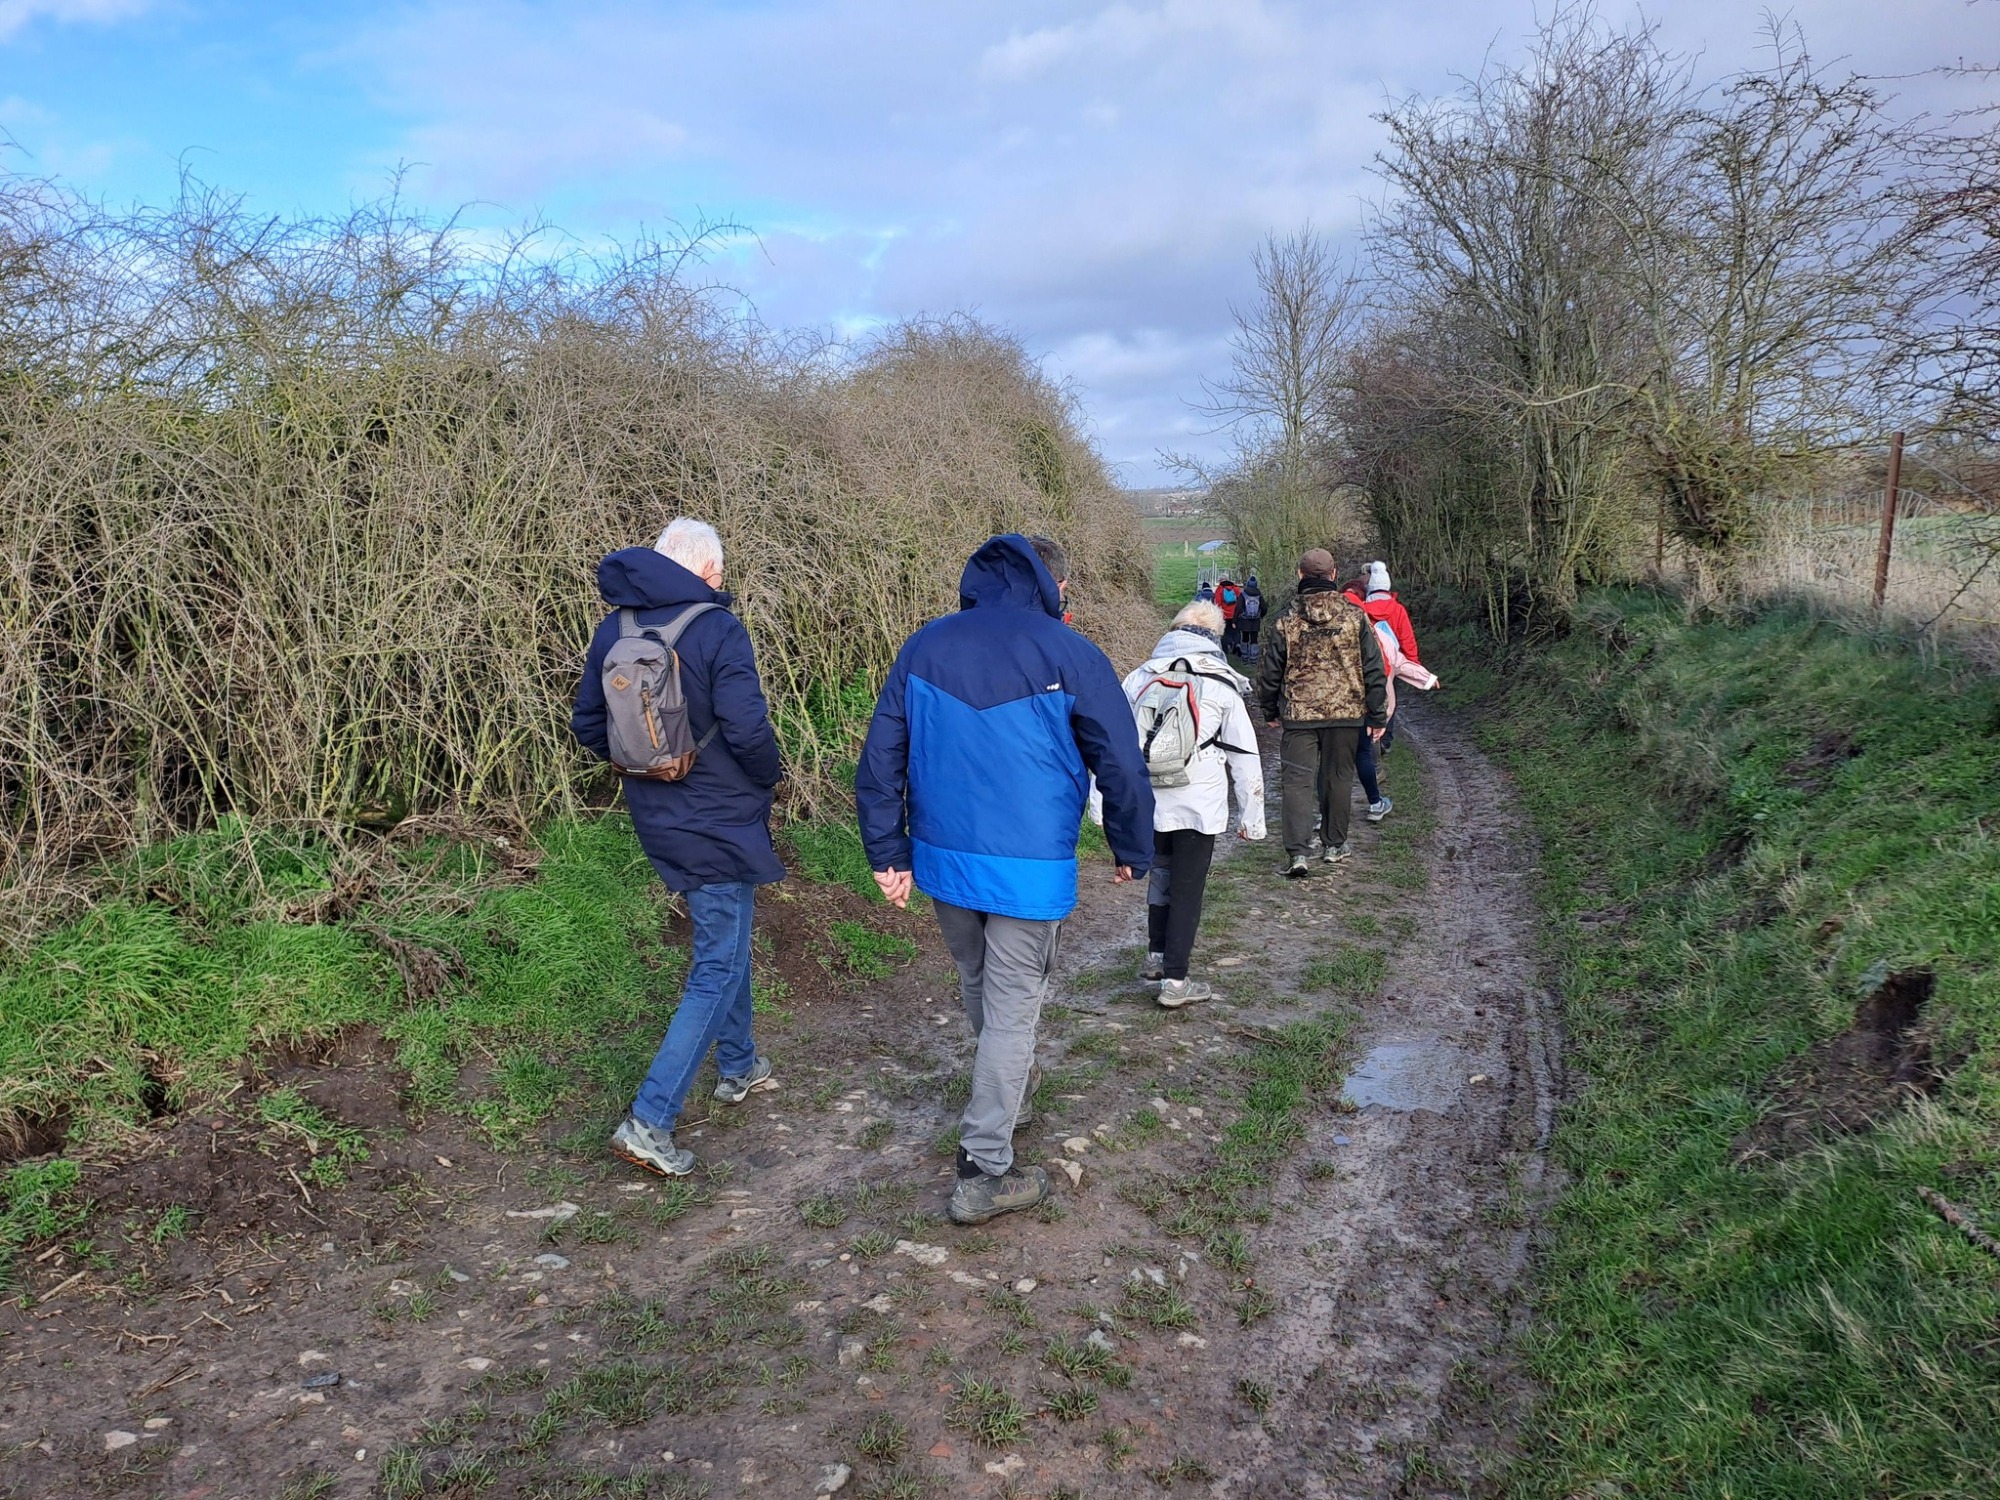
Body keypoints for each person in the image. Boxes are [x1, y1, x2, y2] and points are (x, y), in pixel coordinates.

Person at [856, 534, 1154, 1225]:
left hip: (944, 857)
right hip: (1029, 863)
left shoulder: (925, 646)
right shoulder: (1071, 652)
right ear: (1056, 585)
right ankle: (984, 1169)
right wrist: (1131, 844)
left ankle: (1008, 1091)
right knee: (1014, 1006)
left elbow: (881, 759)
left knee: (978, 982)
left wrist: (887, 852)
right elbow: (1120, 761)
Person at [572, 518, 785, 1178]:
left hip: (657, 812)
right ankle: (649, 1120)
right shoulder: (718, 628)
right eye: (720, 571)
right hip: (720, 816)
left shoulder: (616, 629)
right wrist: (768, 776)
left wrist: (647, 766)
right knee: (716, 964)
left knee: (727, 937)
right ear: (708, 570)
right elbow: (747, 728)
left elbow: (587, 723)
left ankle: (739, 1063)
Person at [1109, 600, 1265, 1007]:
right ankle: (1176, 981)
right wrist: (1251, 818)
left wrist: (1104, 807)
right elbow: (1244, 756)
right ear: (1215, 637)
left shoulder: (1139, 678)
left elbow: (1112, 747)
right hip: (1199, 802)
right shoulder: (1222, 684)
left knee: (1161, 874)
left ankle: (1157, 954)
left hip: (1148, 800)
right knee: (1188, 886)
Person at [1256, 548, 1388, 878]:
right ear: (1334, 575)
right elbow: (1374, 669)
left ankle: (1298, 854)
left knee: (1297, 782)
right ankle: (1334, 845)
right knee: (1338, 778)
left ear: (1300, 575)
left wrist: (1269, 709)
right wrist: (1377, 715)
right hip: (1347, 713)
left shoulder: (1285, 621)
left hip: (1299, 716)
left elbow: (1270, 671)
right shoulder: (1356, 618)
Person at [1353, 615, 1441, 822]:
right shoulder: (1375, 632)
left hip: (1335, 708)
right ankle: (1375, 803)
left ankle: (1325, 815)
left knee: (1332, 760)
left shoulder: (1325, 629)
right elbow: (1398, 662)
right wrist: (1427, 679)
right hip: (1370, 705)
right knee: (1364, 753)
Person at [1238, 574, 1264, 665]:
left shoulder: (1243, 594)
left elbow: (1238, 607)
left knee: (1245, 639)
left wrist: (1235, 620)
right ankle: (1253, 660)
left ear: (1248, 584)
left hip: (1245, 621)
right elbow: (1264, 608)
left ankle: (1244, 659)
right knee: (1254, 640)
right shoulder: (1259, 595)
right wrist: (1261, 616)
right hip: (1255, 621)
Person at [1214, 576, 1242, 655]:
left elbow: (1217, 603)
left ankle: (1226, 649)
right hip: (1235, 615)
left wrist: (1218, 614)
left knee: (1225, 632)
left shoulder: (1219, 589)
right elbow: (1240, 601)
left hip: (1224, 615)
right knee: (1236, 631)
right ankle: (1237, 643)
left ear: (1220, 581)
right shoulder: (1235, 588)